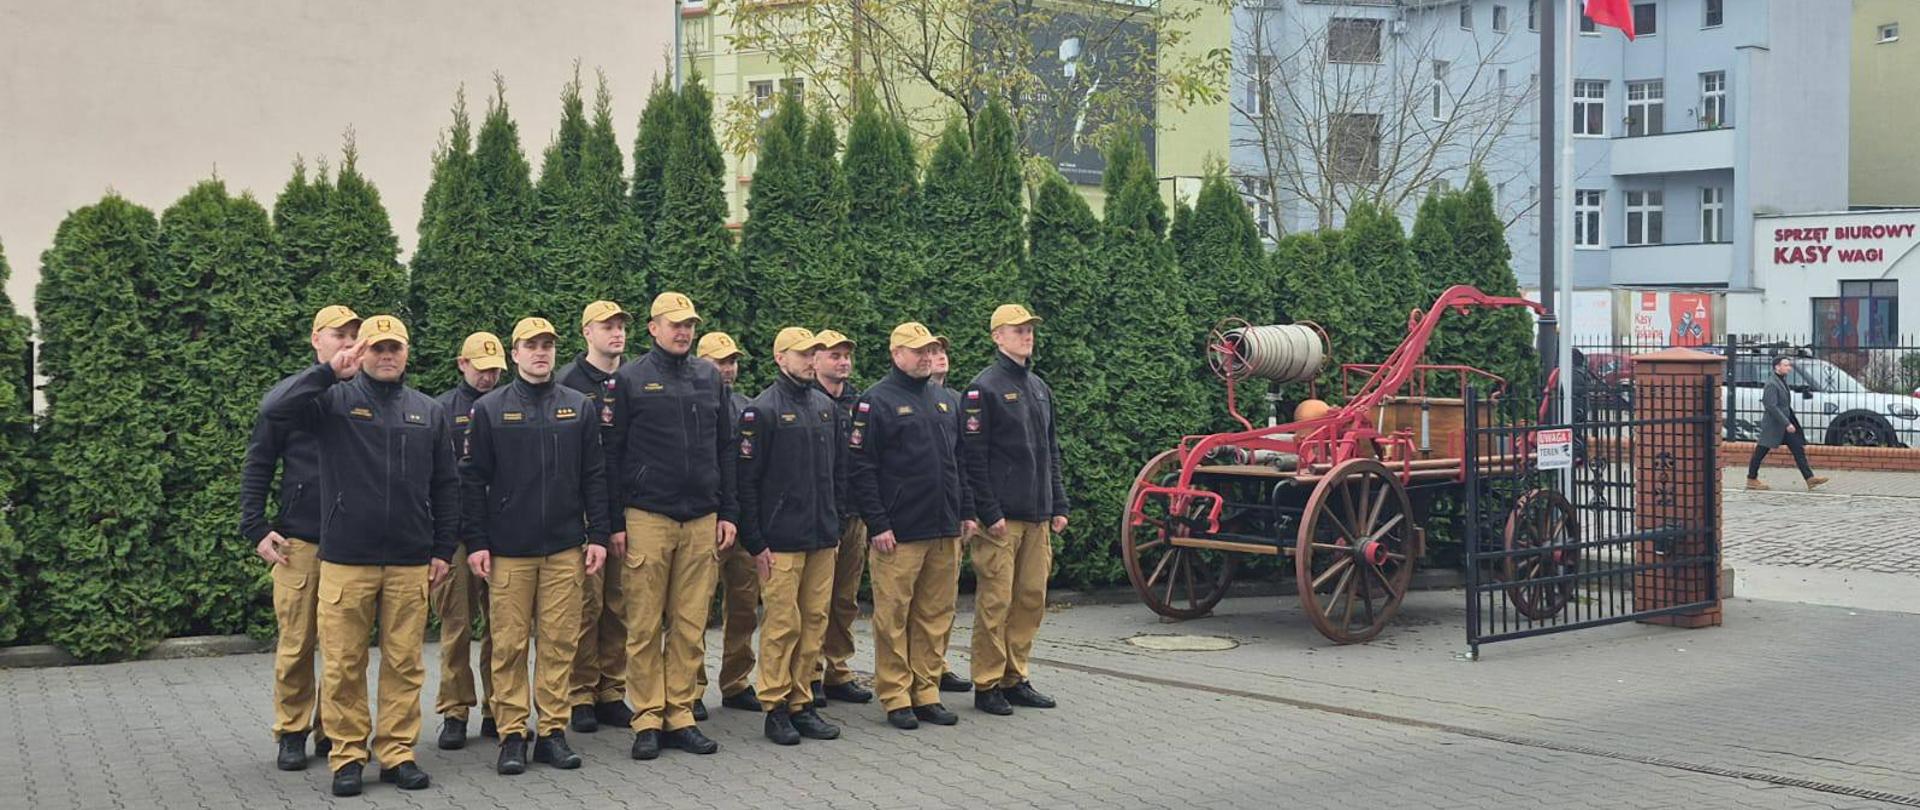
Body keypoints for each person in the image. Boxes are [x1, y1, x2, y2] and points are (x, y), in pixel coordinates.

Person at [260, 316, 459, 797]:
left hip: (410, 561)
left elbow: (447, 485)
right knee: (345, 663)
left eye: (395, 348)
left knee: (405, 663)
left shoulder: (427, 411)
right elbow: (273, 408)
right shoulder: (332, 402)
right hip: (347, 559)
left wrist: (441, 550)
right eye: (377, 348)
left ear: (407, 352)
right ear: (363, 353)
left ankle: (396, 753)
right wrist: (329, 370)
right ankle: (347, 754)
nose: (387, 356)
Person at [461, 317, 611, 775]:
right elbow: (473, 479)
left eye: (547, 345)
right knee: (507, 646)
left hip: (565, 548)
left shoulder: (577, 407)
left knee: (560, 644)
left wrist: (599, 536)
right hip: (509, 551)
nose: (541, 352)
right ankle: (511, 734)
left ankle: (551, 733)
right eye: (531, 345)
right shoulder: (489, 409)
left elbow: (594, 475)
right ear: (515, 353)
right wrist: (478, 542)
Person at [607, 292, 739, 759]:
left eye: (689, 325)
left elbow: (727, 448)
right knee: (643, 624)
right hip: (647, 516)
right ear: (653, 328)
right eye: (675, 324)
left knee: (690, 624)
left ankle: (680, 713)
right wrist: (613, 523)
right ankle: (647, 718)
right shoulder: (629, 379)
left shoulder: (709, 376)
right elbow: (611, 453)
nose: (683, 332)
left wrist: (729, 512)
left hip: (702, 516)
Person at [241, 304, 359, 771]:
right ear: (316, 339)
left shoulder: (364, 396)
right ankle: (291, 730)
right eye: (339, 336)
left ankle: (333, 728)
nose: (348, 344)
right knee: (297, 643)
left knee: (344, 647)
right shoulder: (294, 397)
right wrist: (255, 525)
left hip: (351, 545)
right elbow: (258, 462)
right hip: (301, 541)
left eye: (355, 336)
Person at [848, 322, 975, 730]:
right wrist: (878, 522)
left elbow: (960, 462)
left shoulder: (943, 400)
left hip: (943, 528)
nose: (925, 357)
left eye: (930, 350)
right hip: (899, 533)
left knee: (936, 615)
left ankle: (927, 691)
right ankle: (896, 694)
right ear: (896, 354)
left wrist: (966, 511)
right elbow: (861, 468)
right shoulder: (875, 401)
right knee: (894, 615)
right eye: (917, 350)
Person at [737, 327, 844, 745]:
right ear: (780, 358)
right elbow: (747, 482)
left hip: (821, 536)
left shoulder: (824, 406)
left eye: (814, 352)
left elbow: (838, 473)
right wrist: (756, 541)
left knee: (815, 621)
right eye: (802, 353)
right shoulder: (761, 410)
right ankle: (775, 705)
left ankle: (802, 701)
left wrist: (834, 525)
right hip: (779, 541)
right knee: (783, 624)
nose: (809, 359)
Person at [961, 305, 1068, 715]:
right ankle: (987, 682)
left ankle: (1015, 674)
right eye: (1018, 330)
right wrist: (989, 511)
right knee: (996, 602)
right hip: (1002, 519)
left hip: (1038, 515)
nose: (1027, 335)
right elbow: (974, 456)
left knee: (1030, 599)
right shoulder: (983, 388)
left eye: (1030, 330)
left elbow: (1050, 452)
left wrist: (1058, 503)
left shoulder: (1039, 387)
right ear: (997, 337)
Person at [557, 300, 635, 734]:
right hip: (585, 514)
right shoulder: (568, 384)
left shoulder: (631, 381)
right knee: (584, 609)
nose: (616, 333)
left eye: (621, 325)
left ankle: (612, 690)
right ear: (587, 332)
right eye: (607, 326)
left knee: (618, 606)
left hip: (624, 511)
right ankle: (581, 693)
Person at [431, 331, 505, 750]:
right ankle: (456, 711)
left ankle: (499, 709)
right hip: (457, 536)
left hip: (500, 534)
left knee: (502, 628)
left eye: (496, 370)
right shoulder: (441, 410)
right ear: (462, 363)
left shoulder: (508, 405)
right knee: (456, 626)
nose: (489, 377)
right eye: (481, 368)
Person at [694, 330, 761, 720]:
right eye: (720, 361)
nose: (728, 368)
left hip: (743, 522)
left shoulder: (747, 407)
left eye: (732, 361)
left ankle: (736, 682)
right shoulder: (695, 405)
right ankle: (692, 686)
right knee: (696, 609)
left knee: (744, 607)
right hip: (707, 518)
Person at [809, 330, 876, 706]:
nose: (843, 362)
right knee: (815, 601)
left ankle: (837, 669)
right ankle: (810, 672)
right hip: (819, 518)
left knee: (844, 600)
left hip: (853, 516)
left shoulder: (859, 404)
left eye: (846, 355)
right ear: (815, 361)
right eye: (834, 355)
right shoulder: (809, 401)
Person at [926, 341, 972, 696]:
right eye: (932, 351)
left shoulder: (956, 401)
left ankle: (939, 663)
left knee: (945, 598)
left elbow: (963, 461)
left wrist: (967, 510)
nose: (939, 356)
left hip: (949, 515)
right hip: (917, 519)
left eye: (943, 351)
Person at [1747, 355, 1831, 492]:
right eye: (1785, 365)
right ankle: (1751, 478)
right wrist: (1787, 423)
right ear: (1777, 367)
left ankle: (1809, 478)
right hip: (1775, 425)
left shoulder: (1781, 381)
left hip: (1784, 424)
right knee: (1761, 450)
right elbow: (1771, 406)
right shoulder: (1771, 384)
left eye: (1788, 365)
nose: (1789, 368)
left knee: (1798, 448)